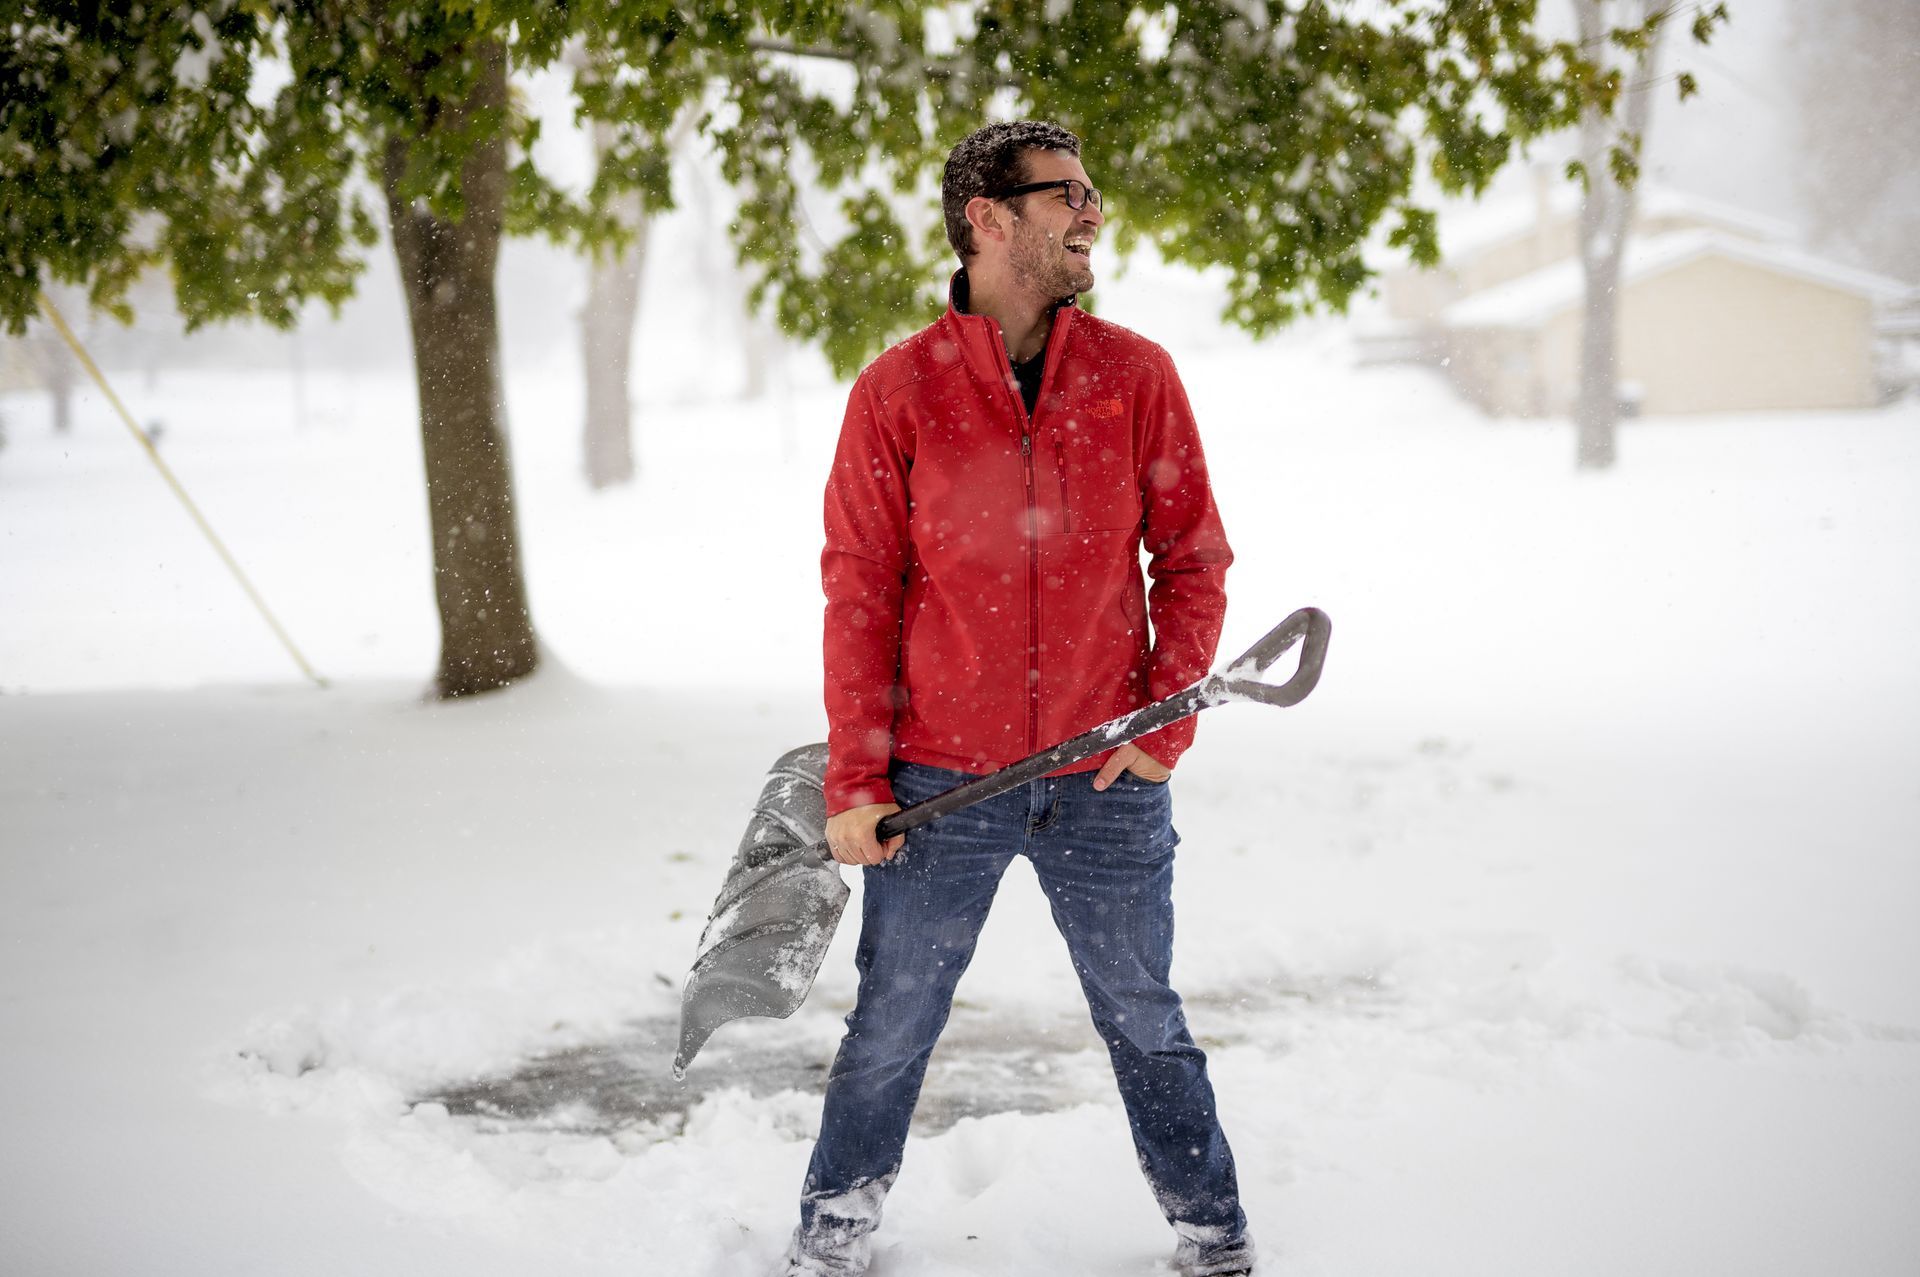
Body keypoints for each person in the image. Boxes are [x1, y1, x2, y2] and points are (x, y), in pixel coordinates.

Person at [781, 120, 1252, 1277]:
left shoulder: (1137, 378)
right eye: (1066, 195)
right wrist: (857, 776)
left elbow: (1192, 559)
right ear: (988, 217)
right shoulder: (898, 392)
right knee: (891, 1026)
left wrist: (1163, 725)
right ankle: (831, 1235)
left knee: (1146, 1018)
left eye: (1093, 192)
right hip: (942, 783)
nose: (1092, 212)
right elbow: (860, 596)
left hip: (1105, 774)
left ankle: (1213, 1230)